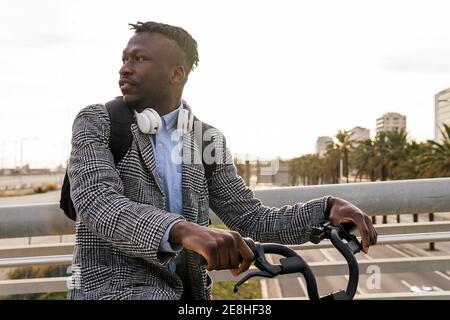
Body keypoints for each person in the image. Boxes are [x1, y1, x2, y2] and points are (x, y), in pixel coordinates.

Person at [67, 21, 377, 300]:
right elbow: (99, 203)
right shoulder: (97, 121)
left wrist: (324, 210)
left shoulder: (206, 139)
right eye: (124, 59)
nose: (125, 68)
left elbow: (251, 218)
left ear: (177, 73)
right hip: (110, 292)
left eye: (139, 59)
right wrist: (184, 230)